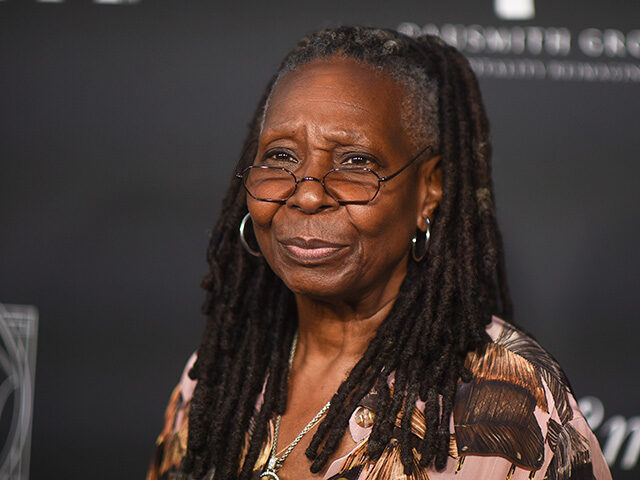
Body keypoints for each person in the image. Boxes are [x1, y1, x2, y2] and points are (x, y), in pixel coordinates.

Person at [147, 26, 611, 480]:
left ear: (430, 189)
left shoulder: (509, 405)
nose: (307, 196)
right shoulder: (217, 372)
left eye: (356, 162)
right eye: (281, 157)